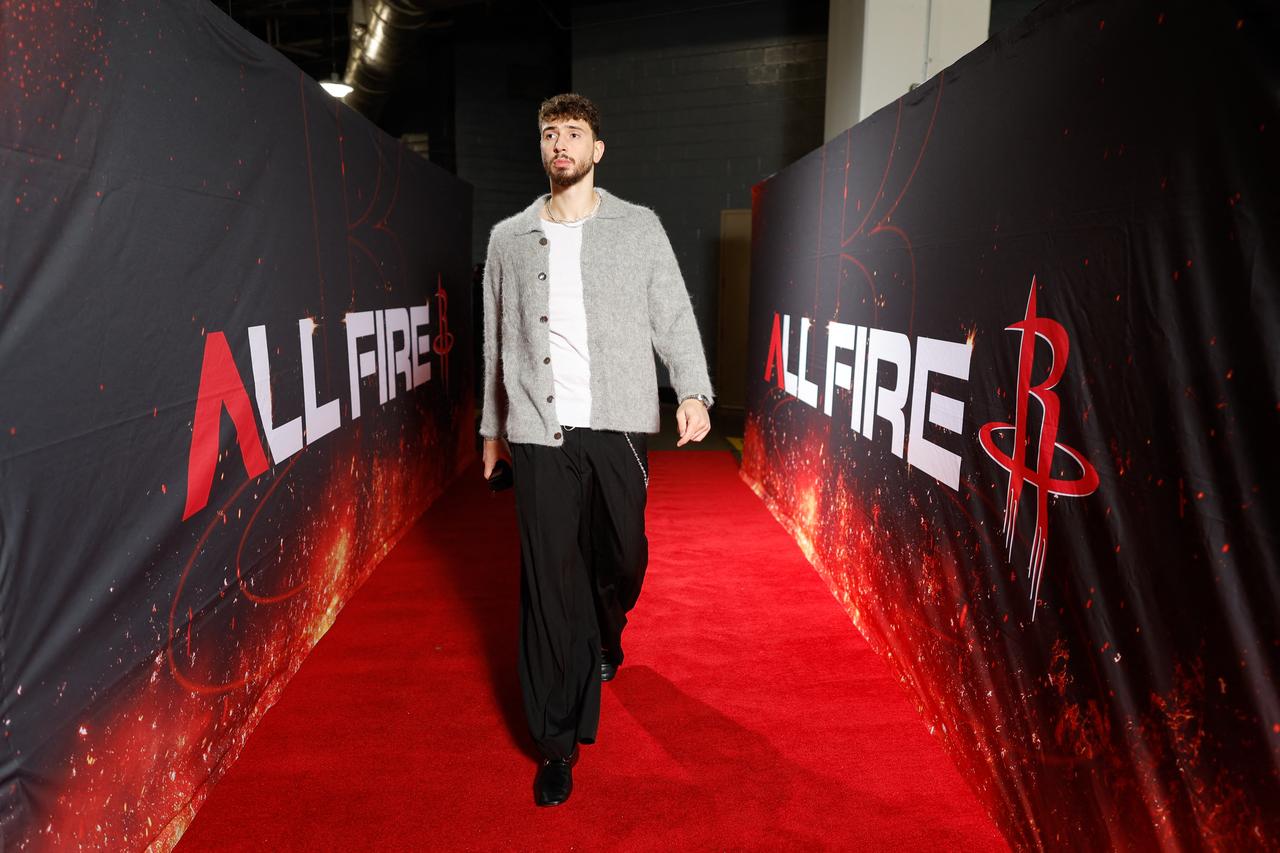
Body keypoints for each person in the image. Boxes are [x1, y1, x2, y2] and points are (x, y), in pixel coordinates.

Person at [479, 93, 713, 806]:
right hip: (538, 434)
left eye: (573, 133)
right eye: (550, 132)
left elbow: (672, 311)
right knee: (550, 590)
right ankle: (556, 743)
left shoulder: (639, 228)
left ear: (596, 149)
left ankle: (607, 633)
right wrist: (491, 431)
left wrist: (693, 389)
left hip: (618, 424)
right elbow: (494, 339)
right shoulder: (507, 239)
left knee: (622, 556)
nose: (560, 143)